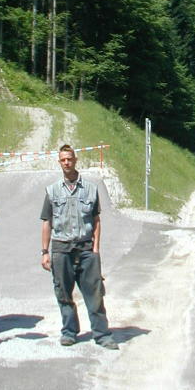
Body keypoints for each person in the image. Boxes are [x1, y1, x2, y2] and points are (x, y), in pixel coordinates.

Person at [40, 144, 119, 349]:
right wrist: (44, 252)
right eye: (63, 160)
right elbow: (46, 222)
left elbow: (96, 219)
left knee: (95, 293)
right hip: (61, 249)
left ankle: (102, 334)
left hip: (85, 249)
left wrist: (96, 249)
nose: (67, 163)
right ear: (59, 162)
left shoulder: (91, 189)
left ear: (75, 160)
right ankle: (69, 332)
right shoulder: (52, 191)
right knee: (63, 293)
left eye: (70, 159)